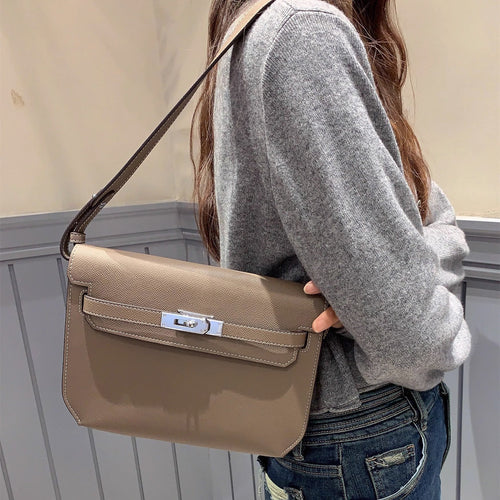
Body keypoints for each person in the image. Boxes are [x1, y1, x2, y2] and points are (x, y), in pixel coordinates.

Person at [190, 0, 471, 498]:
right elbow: (414, 336)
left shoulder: (263, 29)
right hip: (362, 430)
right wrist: (399, 296)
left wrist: (375, 288)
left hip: (330, 430)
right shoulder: (301, 32)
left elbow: (438, 218)